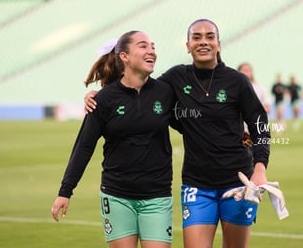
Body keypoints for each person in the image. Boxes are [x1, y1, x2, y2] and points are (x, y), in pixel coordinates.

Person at [85, 19, 271, 248]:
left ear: (218, 44)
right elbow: (138, 88)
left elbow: (260, 123)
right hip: (197, 185)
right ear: (187, 45)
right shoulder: (175, 78)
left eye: (210, 37)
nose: (203, 42)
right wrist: (102, 94)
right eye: (197, 37)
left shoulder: (238, 81)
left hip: (238, 183)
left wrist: (260, 168)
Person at [51, 31, 177, 248]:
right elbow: (83, 147)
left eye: (153, 46)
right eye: (143, 46)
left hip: (157, 196)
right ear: (124, 56)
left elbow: (194, 123)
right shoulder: (104, 99)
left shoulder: (165, 92)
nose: (151, 51)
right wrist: (65, 191)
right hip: (117, 197)